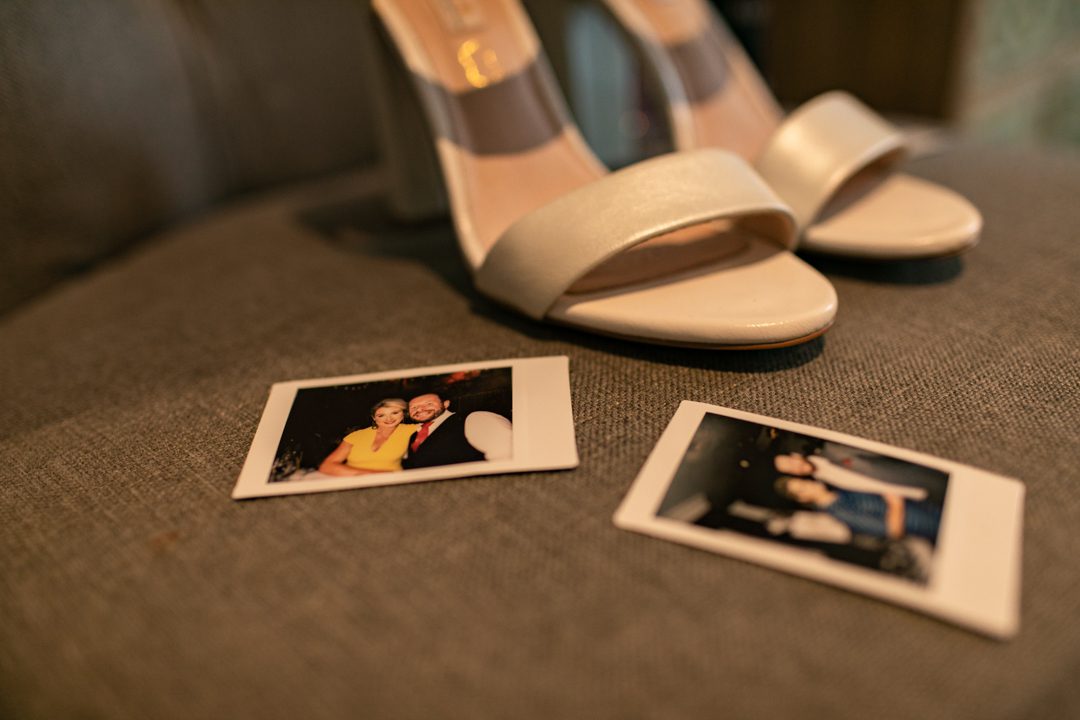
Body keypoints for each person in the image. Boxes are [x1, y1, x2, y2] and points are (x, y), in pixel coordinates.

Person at [773, 453, 941, 542]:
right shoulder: (839, 512)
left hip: (925, 505)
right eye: (803, 489)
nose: (808, 484)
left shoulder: (839, 491)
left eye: (803, 482)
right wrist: (895, 503)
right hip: (926, 523)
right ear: (803, 499)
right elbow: (892, 532)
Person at [400, 390, 512, 470]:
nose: (420, 409)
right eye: (414, 407)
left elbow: (506, 456)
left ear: (446, 404)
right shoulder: (411, 434)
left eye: (428, 403)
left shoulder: (475, 418)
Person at [318, 398, 417, 476]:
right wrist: (373, 475)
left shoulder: (412, 429)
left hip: (391, 481)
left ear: (403, 413)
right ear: (374, 418)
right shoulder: (356, 435)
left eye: (395, 413)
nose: (389, 418)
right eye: (381, 415)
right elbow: (326, 466)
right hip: (353, 480)